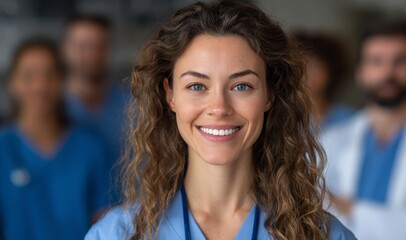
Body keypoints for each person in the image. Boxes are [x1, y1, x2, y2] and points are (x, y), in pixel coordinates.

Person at [85, 1, 356, 239]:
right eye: (196, 86)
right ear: (170, 96)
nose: (219, 108)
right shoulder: (117, 235)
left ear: (269, 95)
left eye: (241, 86)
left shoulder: (321, 235)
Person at [321, 19, 406, 240]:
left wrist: (345, 205)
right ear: (360, 72)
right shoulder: (329, 141)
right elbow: (313, 215)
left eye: (400, 61)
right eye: (376, 61)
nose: (388, 72)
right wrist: (399, 218)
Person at [0, 37, 113, 240]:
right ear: (12, 83)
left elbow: (107, 223)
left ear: (62, 81)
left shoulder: (92, 147)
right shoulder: (4, 148)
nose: (40, 86)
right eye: (29, 76)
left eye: (49, 75)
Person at [62, 14, 127, 172]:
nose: (92, 54)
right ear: (64, 50)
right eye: (82, 46)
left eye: (100, 45)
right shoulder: (49, 108)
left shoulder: (134, 106)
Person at [294, 32, 354, 131]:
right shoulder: (284, 118)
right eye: (303, 66)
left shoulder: (349, 119)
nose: (310, 74)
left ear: (331, 72)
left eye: (317, 67)